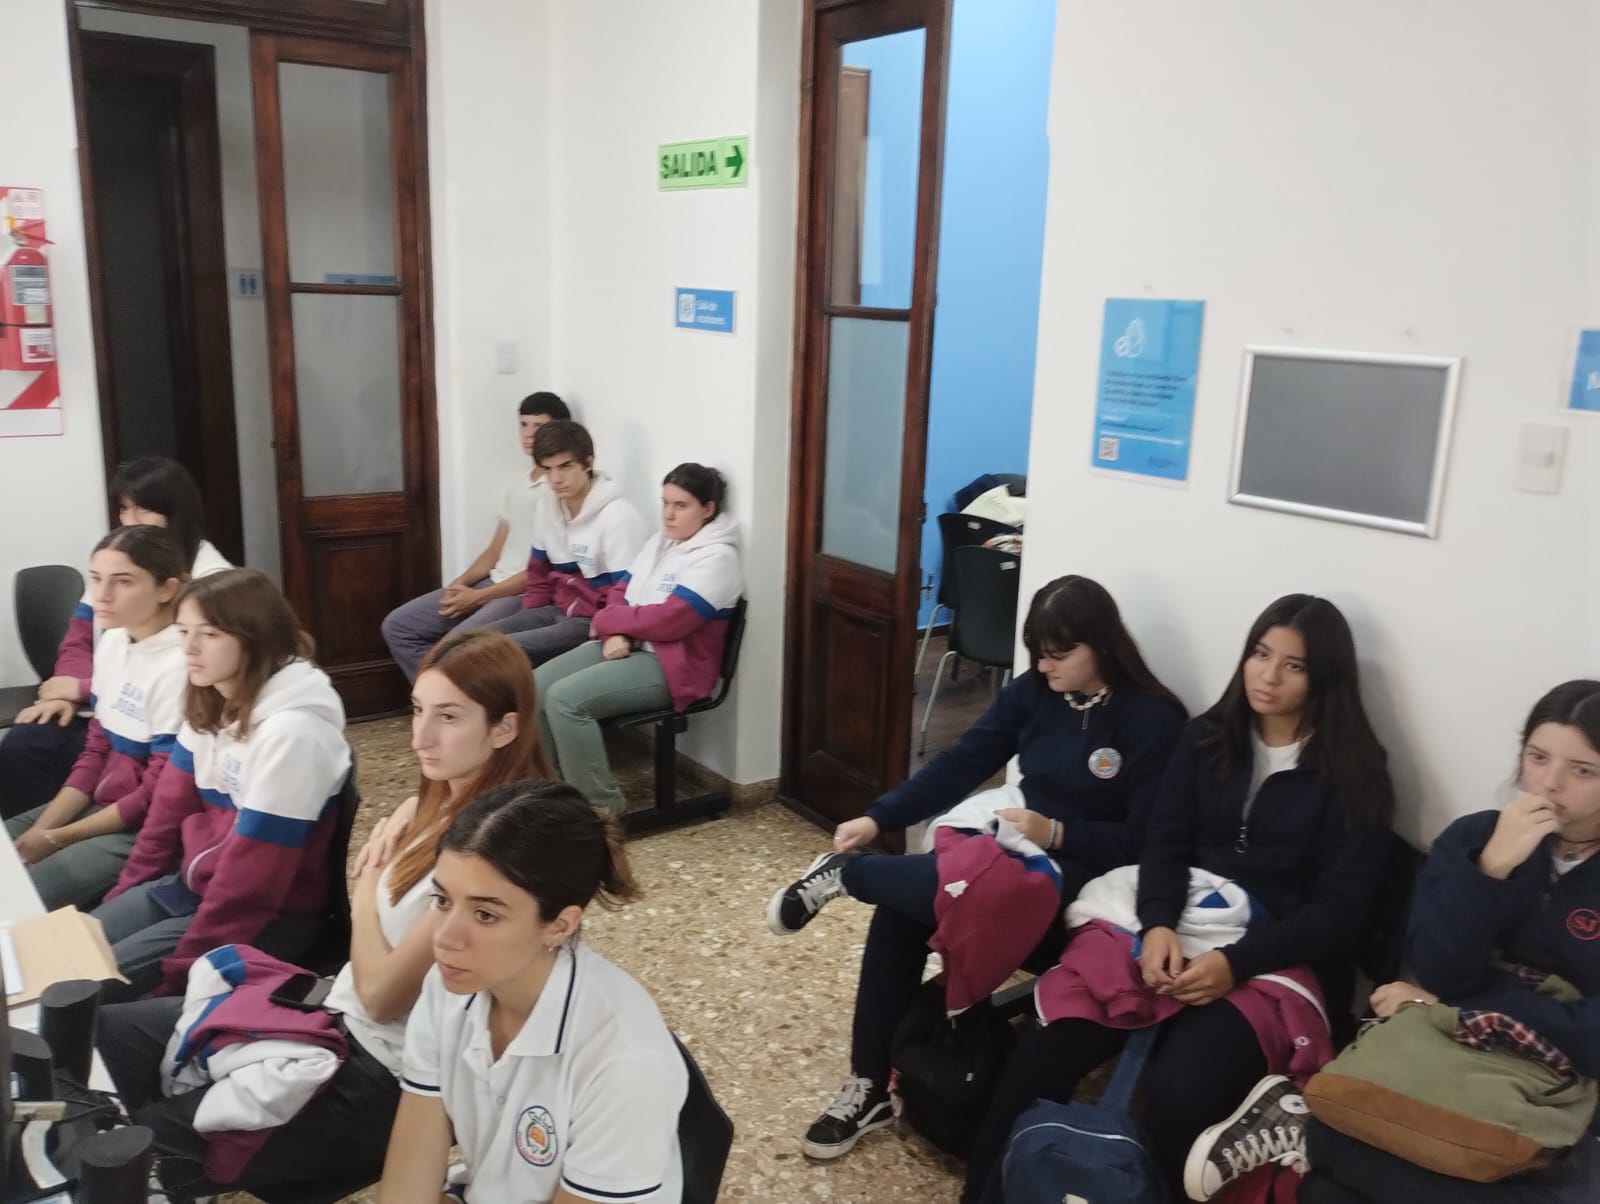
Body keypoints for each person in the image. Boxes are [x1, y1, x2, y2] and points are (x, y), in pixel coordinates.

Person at [962, 594, 1397, 1204]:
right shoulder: (1207, 738)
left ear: (1325, 677)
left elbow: (1339, 913)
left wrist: (1234, 964)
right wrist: (1159, 924)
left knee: (1179, 1094)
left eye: (1293, 665)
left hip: (1273, 959)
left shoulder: (1355, 772)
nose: (1268, 676)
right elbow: (1163, 844)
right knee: (1041, 1055)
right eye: (1260, 654)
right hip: (1175, 928)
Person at [94, 628, 554, 1202]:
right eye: (417, 710)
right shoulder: (431, 801)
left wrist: (366, 892)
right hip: (329, 1014)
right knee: (99, 1035)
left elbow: (382, 996)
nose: (420, 736)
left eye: (449, 717)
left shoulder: (493, 854)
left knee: (136, 1152)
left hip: (377, 1071)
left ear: (504, 728)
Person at [767, 575, 1187, 1162]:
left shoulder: (1153, 719)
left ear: (1102, 644)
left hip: (1089, 878)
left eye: (1058, 653)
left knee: (971, 887)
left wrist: (1059, 833)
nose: (1044, 665)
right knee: (905, 910)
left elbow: (1147, 840)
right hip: (1019, 850)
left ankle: (850, 875)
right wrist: (879, 816)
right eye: (1037, 651)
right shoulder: (1036, 692)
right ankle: (869, 1085)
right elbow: (964, 761)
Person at [1298, 680, 1600, 1204]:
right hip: (1445, 1052)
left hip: (1558, 1084)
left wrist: (1447, 1004)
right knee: (1330, 1141)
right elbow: (1438, 968)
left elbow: (1594, 1038)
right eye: (1537, 757)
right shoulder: (1474, 838)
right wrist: (1490, 869)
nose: (1549, 784)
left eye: (1583, 770)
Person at [378, 779, 687, 1203]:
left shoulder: (626, 1062)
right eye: (443, 900)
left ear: (560, 926)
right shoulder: (446, 988)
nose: (445, 938)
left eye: (485, 915)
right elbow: (409, 1179)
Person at [92, 568, 350, 1000]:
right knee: (70, 953)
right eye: (183, 631)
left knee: (87, 992)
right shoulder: (211, 696)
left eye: (209, 634)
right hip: (192, 888)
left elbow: (251, 887)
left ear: (255, 638)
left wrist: (180, 979)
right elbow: (164, 819)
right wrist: (123, 894)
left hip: (265, 917)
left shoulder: (292, 736)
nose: (188, 648)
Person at [0, 456, 230, 821]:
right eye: (124, 509)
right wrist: (68, 691)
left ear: (176, 514)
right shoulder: (119, 557)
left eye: (144, 510)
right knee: (24, 745)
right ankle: (39, 831)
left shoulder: (212, 580)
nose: (130, 521)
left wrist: (82, 688)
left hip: (151, 721)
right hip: (103, 709)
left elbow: (192, 669)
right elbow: (78, 637)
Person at [535, 462, 742, 812]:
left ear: (708, 509)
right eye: (665, 503)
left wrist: (610, 622)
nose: (668, 515)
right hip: (629, 645)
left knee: (565, 701)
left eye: (681, 506)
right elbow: (620, 591)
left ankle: (601, 810)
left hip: (672, 666)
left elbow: (672, 621)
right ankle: (558, 795)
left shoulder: (718, 558)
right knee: (534, 687)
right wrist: (615, 630)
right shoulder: (659, 542)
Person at [4, 526, 188, 910]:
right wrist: (44, 828)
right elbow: (95, 753)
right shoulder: (114, 642)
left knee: (15, 898)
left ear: (167, 589)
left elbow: (154, 796)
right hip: (105, 804)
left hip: (147, 826)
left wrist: (57, 838)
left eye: (123, 582)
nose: (102, 595)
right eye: (96, 579)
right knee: (10, 857)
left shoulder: (182, 664)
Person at [381, 392, 571, 681]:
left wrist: (478, 597)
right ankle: (437, 700)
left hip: (519, 593)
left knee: (451, 652)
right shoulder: (517, 485)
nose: (528, 434)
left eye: (538, 426)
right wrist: (459, 585)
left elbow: (545, 570)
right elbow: (494, 551)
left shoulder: (559, 489)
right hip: (491, 581)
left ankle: (451, 701)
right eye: (523, 424)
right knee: (398, 626)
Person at [490, 419, 646, 667]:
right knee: (470, 642)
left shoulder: (618, 517)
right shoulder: (547, 506)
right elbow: (538, 577)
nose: (556, 479)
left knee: (495, 652)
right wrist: (527, 619)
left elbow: (628, 593)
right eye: (548, 469)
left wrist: (609, 633)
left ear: (588, 463)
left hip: (592, 621)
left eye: (565, 467)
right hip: (556, 609)